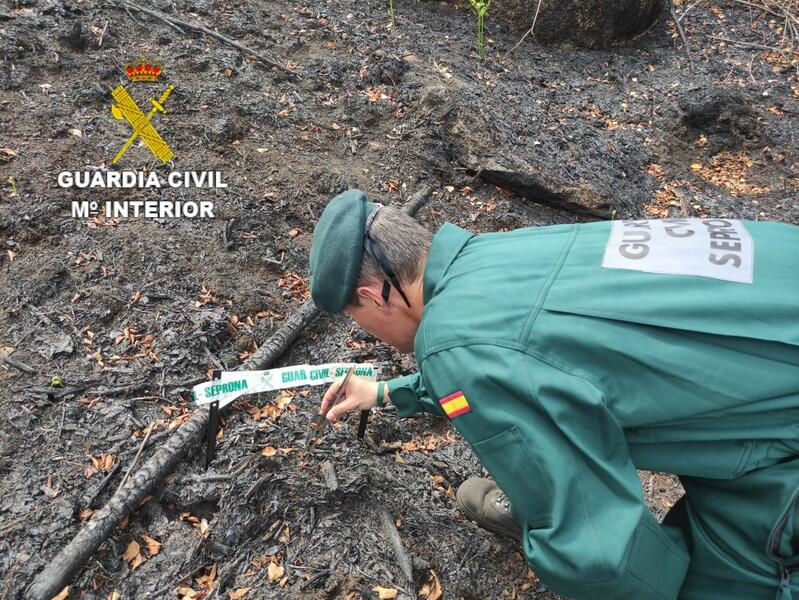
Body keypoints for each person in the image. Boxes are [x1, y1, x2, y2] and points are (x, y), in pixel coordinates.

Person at [309, 188, 799, 600]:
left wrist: (570, 551)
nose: (369, 332)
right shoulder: (491, 257)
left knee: (719, 579)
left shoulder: (456, 343)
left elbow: (596, 544)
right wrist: (388, 391)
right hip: (768, 310)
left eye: (358, 319)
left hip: (782, 447)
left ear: (375, 297)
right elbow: (528, 360)